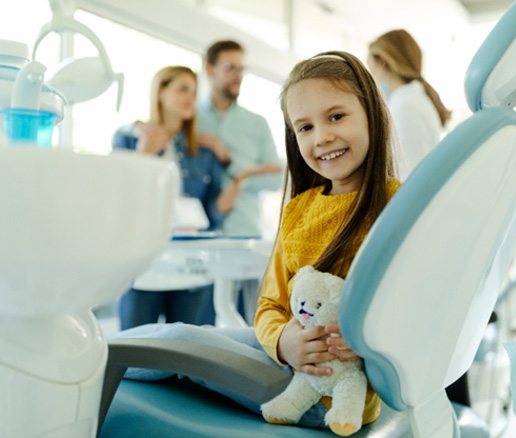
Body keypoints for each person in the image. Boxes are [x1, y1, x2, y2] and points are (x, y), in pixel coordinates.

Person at [114, 50, 400, 430]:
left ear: (371, 114)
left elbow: (412, 308)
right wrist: (283, 341)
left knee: (181, 340)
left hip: (320, 394)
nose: (322, 136)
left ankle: (92, 360)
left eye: (336, 116)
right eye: (305, 127)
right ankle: (96, 355)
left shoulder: (397, 205)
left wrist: (367, 342)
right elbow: (269, 304)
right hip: (287, 355)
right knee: (193, 334)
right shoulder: (299, 209)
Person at [113, 65, 225, 329]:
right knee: (136, 352)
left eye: (195, 91)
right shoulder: (129, 138)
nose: (191, 98)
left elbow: (212, 213)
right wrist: (144, 154)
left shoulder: (204, 152)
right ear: (160, 92)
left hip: (192, 260)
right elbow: (119, 197)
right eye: (182, 89)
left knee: (190, 352)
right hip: (143, 260)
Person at [197, 39, 283, 237]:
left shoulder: (257, 123)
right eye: (230, 68)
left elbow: (275, 179)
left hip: (244, 232)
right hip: (195, 234)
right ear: (210, 70)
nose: (239, 76)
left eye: (242, 69)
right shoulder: (190, 121)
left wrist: (230, 162)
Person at [367, 29, 451, 181]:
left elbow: (410, 174)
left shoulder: (406, 107)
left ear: (383, 62)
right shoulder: (410, 99)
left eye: (372, 70)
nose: (374, 79)